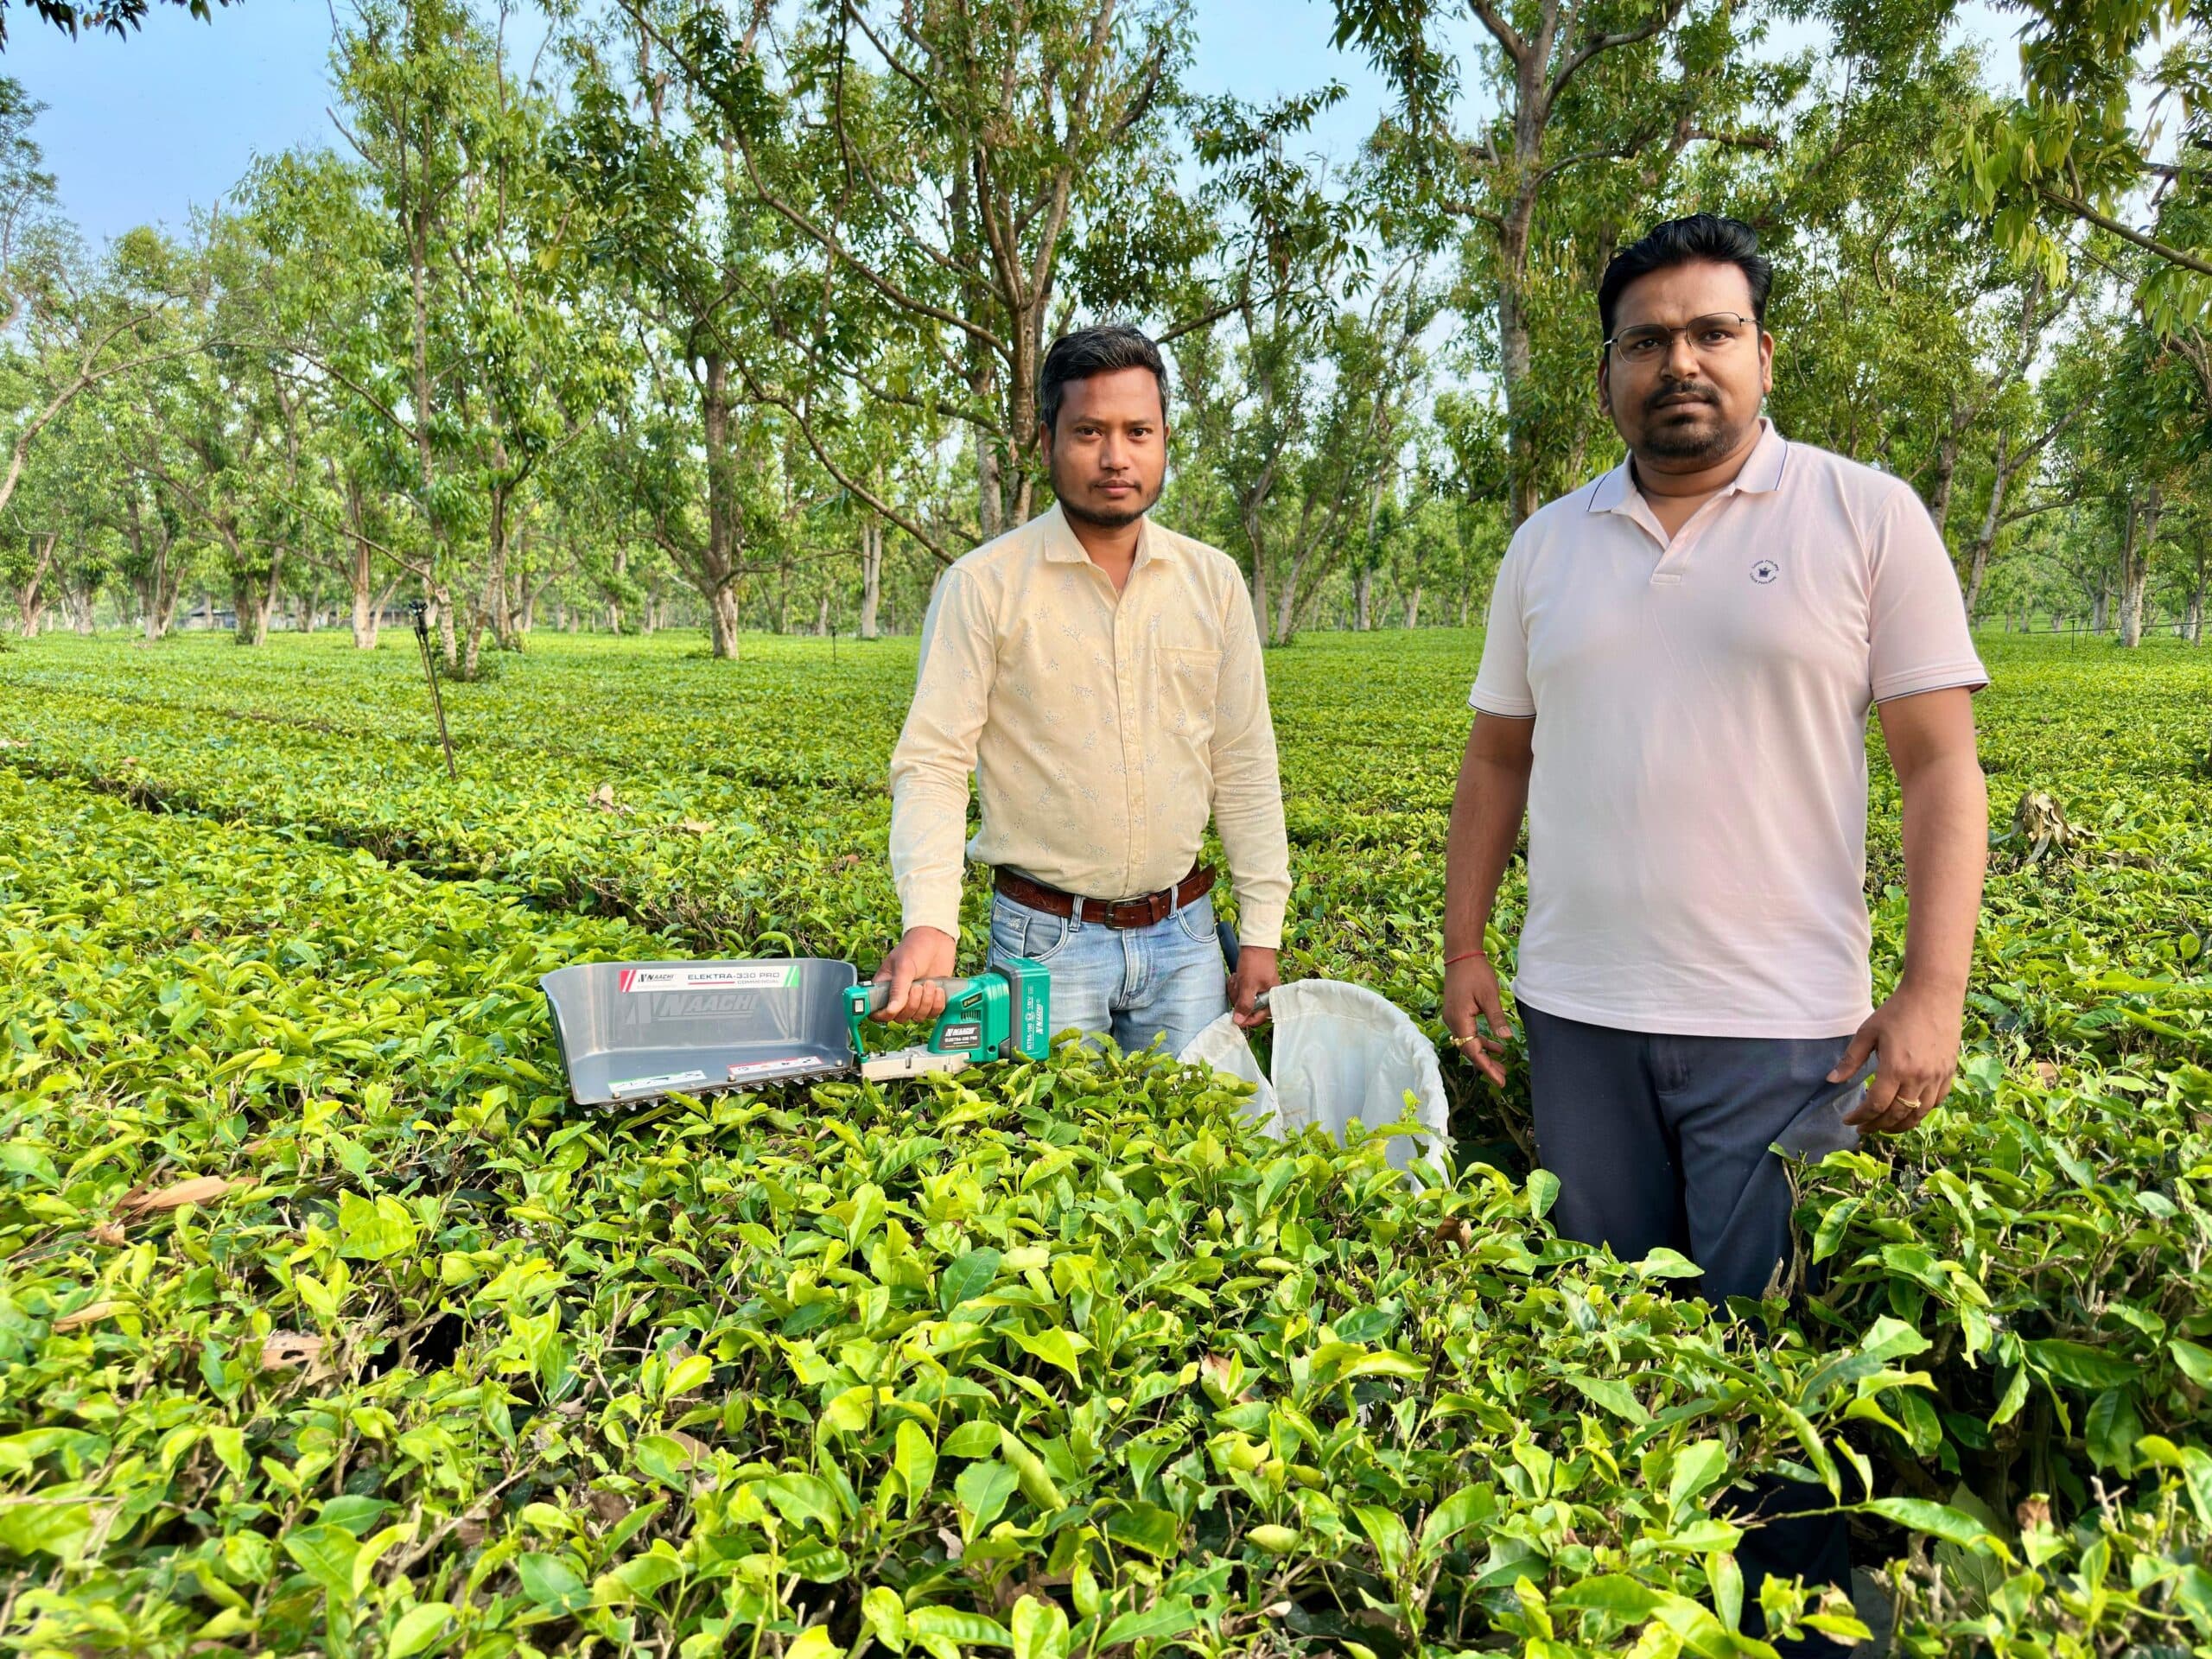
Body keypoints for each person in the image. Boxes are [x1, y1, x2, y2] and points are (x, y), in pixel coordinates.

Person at [1440, 215, 1989, 1634]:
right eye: (1646, 340)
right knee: (1615, 1356)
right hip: (1581, 1025)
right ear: (1608, 370)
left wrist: (1934, 990)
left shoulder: (1866, 517)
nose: (1678, 362)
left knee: (1772, 1382)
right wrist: (1464, 947)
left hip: (1783, 1035)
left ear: (1761, 351)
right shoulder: (1547, 546)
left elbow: (1942, 764)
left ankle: (1790, 1615)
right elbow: (1498, 757)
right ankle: (1633, 1613)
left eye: (1710, 333)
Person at [876, 323, 1288, 1058]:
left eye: (1138, 431)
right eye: (1089, 431)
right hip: (1044, 947)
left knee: (1197, 1155)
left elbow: (1244, 762)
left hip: (1188, 940)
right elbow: (934, 764)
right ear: (1046, 441)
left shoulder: (1215, 583)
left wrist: (1259, 929)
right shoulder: (984, 585)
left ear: (1164, 440)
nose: (1115, 457)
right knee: (1052, 1154)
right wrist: (931, 922)